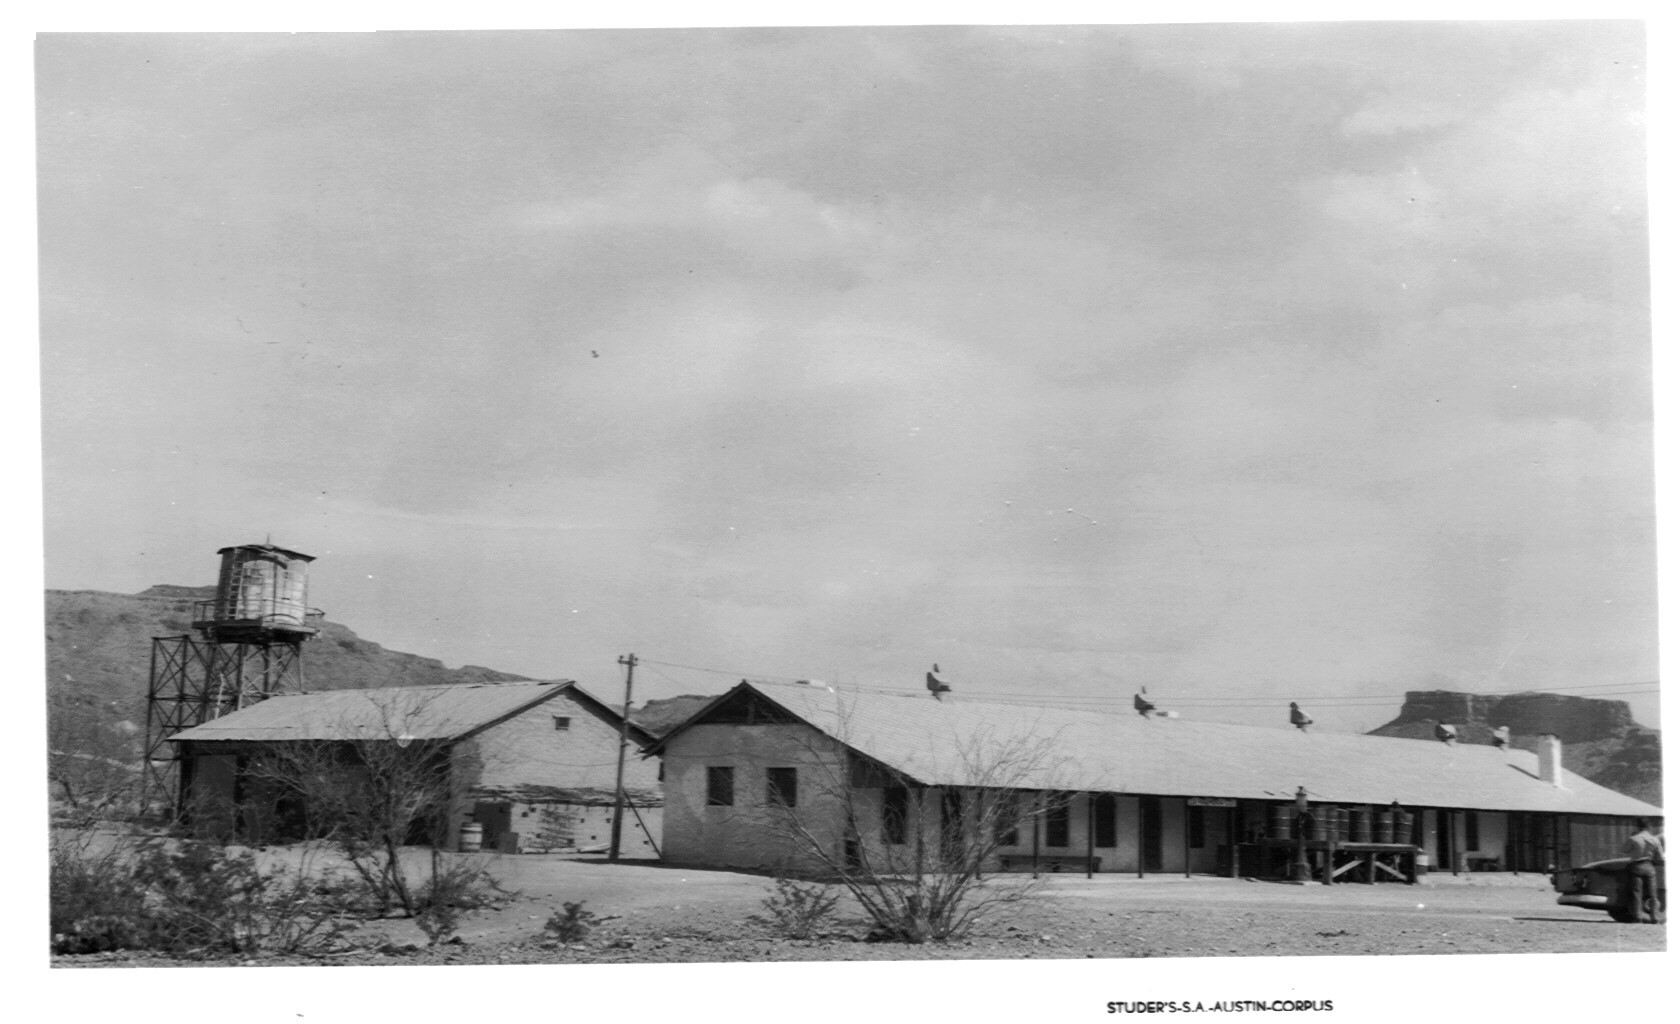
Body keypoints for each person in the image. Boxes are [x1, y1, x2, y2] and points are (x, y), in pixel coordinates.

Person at [1622, 818, 1664, 924]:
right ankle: (1655, 917)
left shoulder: (1634, 838)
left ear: (1638, 826)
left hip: (1637, 866)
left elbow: (1624, 850)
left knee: (1637, 892)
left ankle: (1638, 917)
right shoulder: (1655, 839)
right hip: (1649, 866)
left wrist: (1631, 837)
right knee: (1652, 893)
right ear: (1648, 827)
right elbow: (1660, 856)